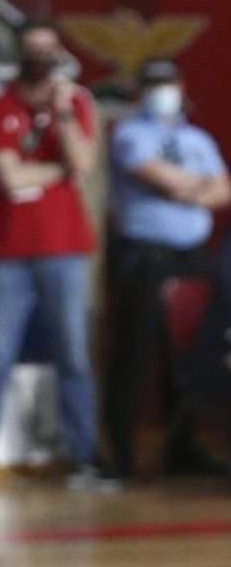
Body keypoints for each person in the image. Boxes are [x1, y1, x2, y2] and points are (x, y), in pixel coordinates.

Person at [0, 18, 110, 495]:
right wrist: (57, 170)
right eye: (33, 50)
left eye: (50, 50)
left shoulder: (78, 102)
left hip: (65, 247)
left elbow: (83, 164)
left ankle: (85, 459)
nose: (42, 58)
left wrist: (63, 117)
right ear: (18, 54)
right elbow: (9, 178)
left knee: (74, 356)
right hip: (7, 250)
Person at [106, 58, 230, 478]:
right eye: (155, 85)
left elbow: (223, 191)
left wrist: (191, 190)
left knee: (194, 352)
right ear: (141, 91)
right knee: (134, 354)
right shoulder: (129, 134)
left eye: (169, 83)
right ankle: (120, 455)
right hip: (145, 255)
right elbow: (159, 178)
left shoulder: (197, 138)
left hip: (193, 255)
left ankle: (183, 448)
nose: (164, 92)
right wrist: (197, 187)